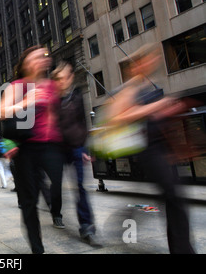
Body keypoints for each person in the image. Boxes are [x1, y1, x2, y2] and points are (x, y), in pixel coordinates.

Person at [104, 43, 195, 254]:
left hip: (163, 149)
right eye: (148, 59)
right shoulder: (130, 89)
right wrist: (156, 107)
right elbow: (115, 117)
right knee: (174, 198)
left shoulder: (148, 87)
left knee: (173, 199)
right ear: (136, 65)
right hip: (149, 150)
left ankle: (180, 248)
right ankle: (183, 249)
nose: (153, 62)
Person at [0, 45, 64, 254]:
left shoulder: (52, 86)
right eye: (34, 57)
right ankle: (37, 247)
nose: (40, 60)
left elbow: (56, 116)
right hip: (26, 148)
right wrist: (24, 102)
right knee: (29, 200)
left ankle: (57, 212)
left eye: (43, 57)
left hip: (51, 145)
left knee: (58, 185)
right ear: (25, 64)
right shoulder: (16, 86)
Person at [52, 61, 100, 246]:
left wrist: (86, 149)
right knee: (56, 185)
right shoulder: (52, 101)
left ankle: (87, 226)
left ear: (71, 78)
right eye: (59, 79)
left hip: (76, 147)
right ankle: (56, 212)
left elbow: (83, 123)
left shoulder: (77, 96)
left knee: (81, 187)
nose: (63, 81)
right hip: (57, 149)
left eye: (66, 77)